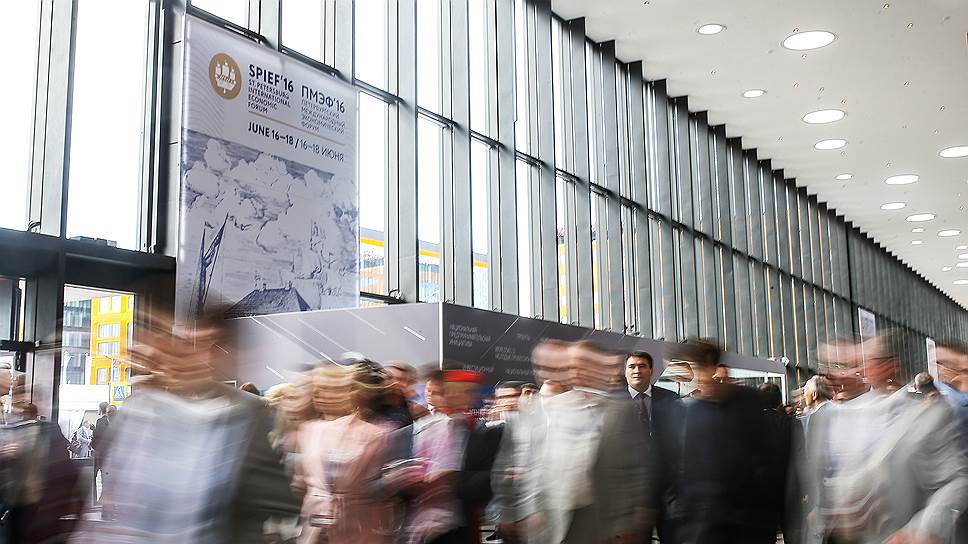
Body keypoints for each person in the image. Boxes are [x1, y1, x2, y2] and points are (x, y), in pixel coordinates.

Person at [67, 306, 300, 543]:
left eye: (205, 347)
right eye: (187, 344)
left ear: (227, 354)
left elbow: (276, 498)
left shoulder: (244, 413)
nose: (193, 355)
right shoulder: (141, 410)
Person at [804, 330, 968, 544]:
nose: (834, 375)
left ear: (889, 366)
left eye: (854, 364)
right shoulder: (826, 419)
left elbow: (954, 481)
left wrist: (922, 530)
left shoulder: (927, 413)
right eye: (828, 366)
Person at [493, 341, 648, 543]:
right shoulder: (541, 408)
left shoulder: (619, 410)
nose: (577, 372)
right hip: (545, 520)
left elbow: (635, 469)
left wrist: (624, 522)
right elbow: (522, 462)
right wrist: (518, 510)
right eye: (572, 365)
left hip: (595, 520)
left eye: (585, 364)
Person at [663, 338, 777, 544]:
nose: (699, 377)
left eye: (702, 368)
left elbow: (764, 457)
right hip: (701, 522)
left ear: (713, 367)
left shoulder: (747, 401)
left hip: (745, 520)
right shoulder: (685, 411)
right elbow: (676, 465)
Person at [294, 363, 395, 544]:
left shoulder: (376, 434)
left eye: (332, 389)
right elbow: (301, 483)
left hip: (360, 529)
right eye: (318, 390)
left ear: (351, 392)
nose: (322, 395)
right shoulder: (309, 431)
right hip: (316, 529)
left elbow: (383, 488)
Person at [624, 350, 680, 541]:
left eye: (642, 366)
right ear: (625, 371)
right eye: (632, 366)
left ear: (651, 370)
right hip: (632, 490)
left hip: (668, 489)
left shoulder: (671, 399)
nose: (637, 370)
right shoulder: (614, 402)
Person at [383, 361, 431, 427]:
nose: (395, 383)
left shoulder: (417, 410)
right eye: (390, 378)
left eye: (401, 380)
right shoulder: (373, 404)